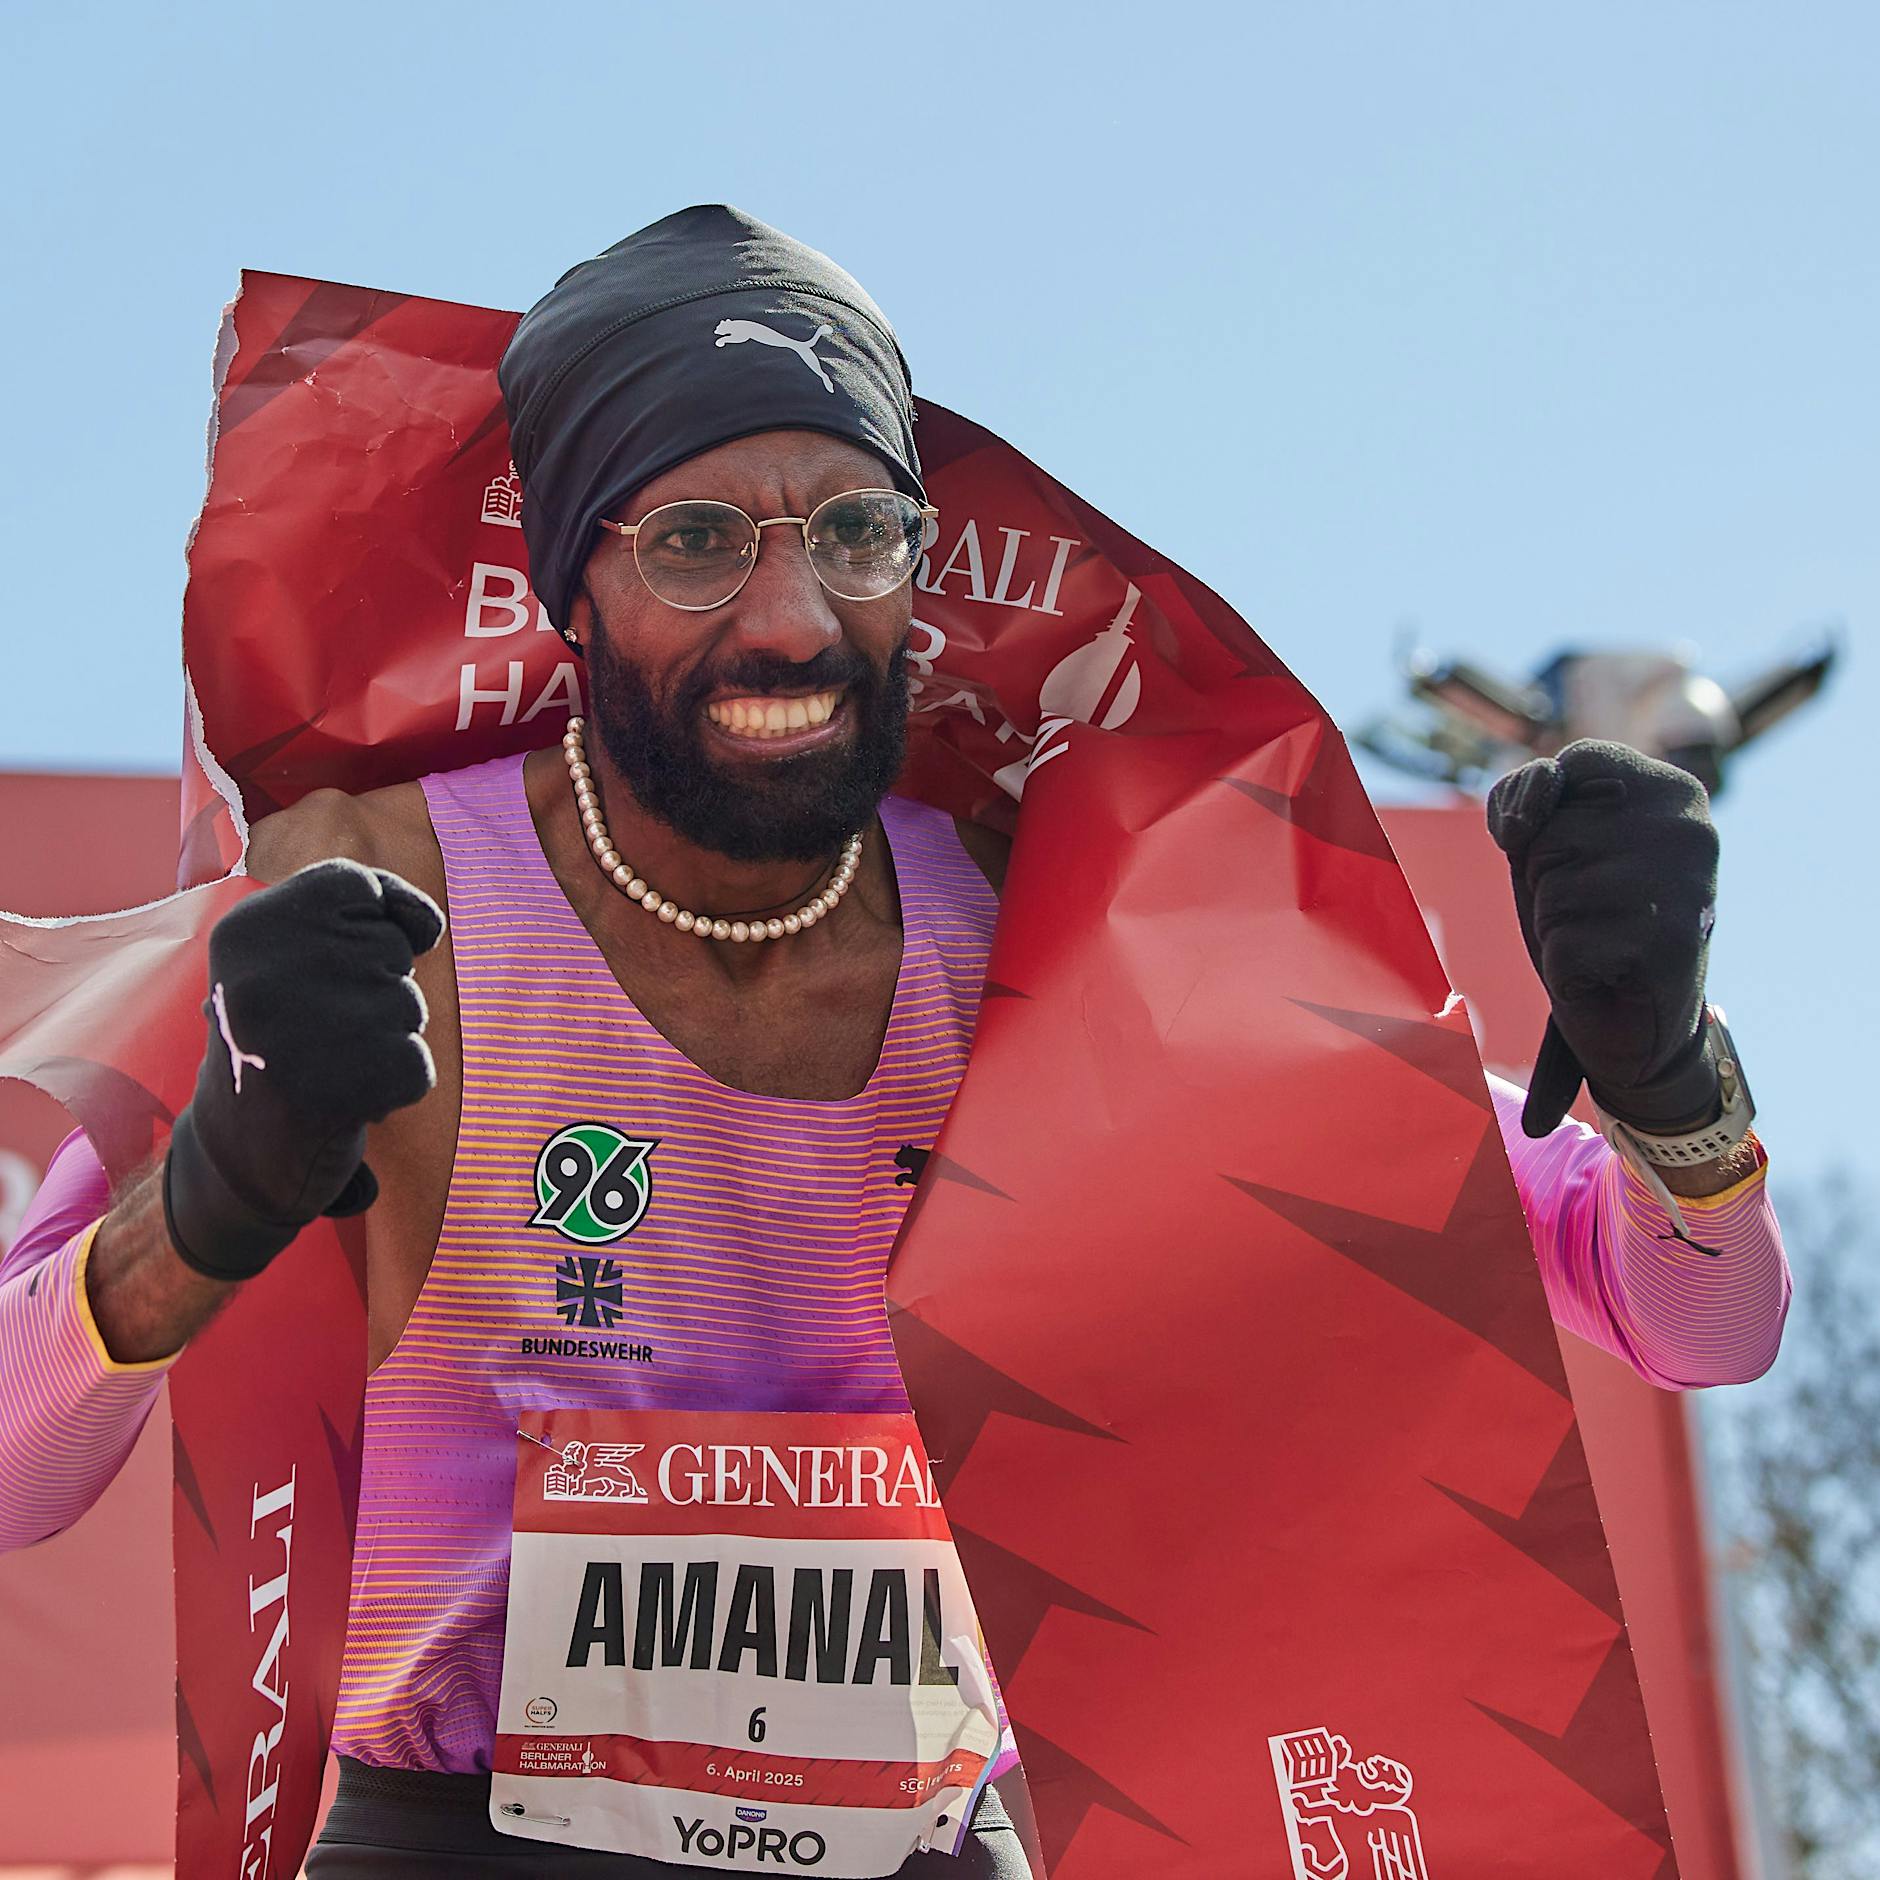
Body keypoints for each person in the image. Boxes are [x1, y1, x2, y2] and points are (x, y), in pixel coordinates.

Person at [0, 207, 1789, 1878]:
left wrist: (1665, 1081)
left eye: (853, 534)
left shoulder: (1063, 937)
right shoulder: (381, 906)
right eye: (696, 541)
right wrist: (209, 1206)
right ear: (568, 578)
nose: (789, 619)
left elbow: (1704, 1320)